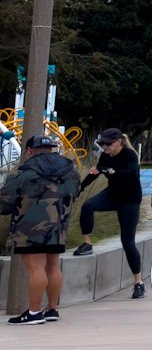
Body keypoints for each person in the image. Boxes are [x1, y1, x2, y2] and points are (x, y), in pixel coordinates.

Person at [3, 134, 82, 325]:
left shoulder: (26, 171)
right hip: (59, 225)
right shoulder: (70, 170)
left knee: (35, 267)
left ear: (30, 151)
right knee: (53, 265)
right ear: (51, 149)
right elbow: (76, 192)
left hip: (29, 227)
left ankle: (34, 312)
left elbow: (5, 201)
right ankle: (52, 309)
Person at [77, 127, 147, 299]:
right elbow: (96, 172)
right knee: (88, 206)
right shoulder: (105, 156)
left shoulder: (130, 155)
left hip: (129, 200)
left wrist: (109, 171)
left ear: (119, 142)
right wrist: (80, 188)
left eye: (108, 144)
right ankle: (87, 243)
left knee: (127, 242)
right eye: (103, 144)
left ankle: (138, 282)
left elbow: (132, 174)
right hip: (112, 195)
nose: (105, 147)